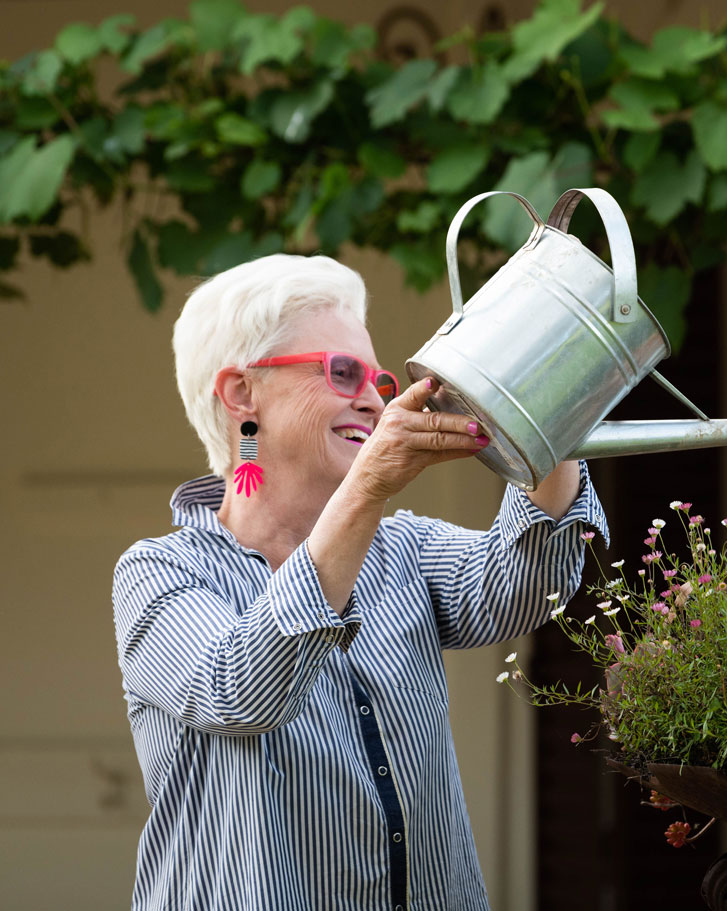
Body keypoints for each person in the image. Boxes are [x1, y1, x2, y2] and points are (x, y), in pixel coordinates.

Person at [111, 253, 608, 910]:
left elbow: (529, 583)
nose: (374, 398)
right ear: (241, 395)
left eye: (375, 378)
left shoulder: (401, 546)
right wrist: (370, 485)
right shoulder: (159, 574)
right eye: (342, 372)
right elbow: (240, 688)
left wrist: (549, 407)